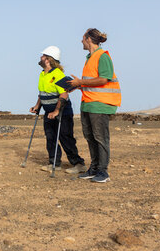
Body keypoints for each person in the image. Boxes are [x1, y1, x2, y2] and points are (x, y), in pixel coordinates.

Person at [67, 28, 121, 183]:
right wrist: (77, 85)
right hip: (88, 104)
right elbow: (92, 82)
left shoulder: (102, 57)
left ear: (88, 39)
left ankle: (103, 172)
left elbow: (104, 79)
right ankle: (95, 168)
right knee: (90, 137)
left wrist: (81, 82)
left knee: (100, 138)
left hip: (100, 105)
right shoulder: (90, 58)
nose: (81, 41)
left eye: (82, 38)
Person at [29, 46, 87, 174]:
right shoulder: (42, 74)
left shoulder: (58, 74)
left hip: (62, 112)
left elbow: (64, 94)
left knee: (65, 137)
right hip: (48, 113)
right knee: (50, 137)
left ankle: (78, 164)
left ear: (48, 59)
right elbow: (42, 93)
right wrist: (37, 106)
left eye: (43, 56)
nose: (40, 57)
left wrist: (56, 111)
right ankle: (54, 163)